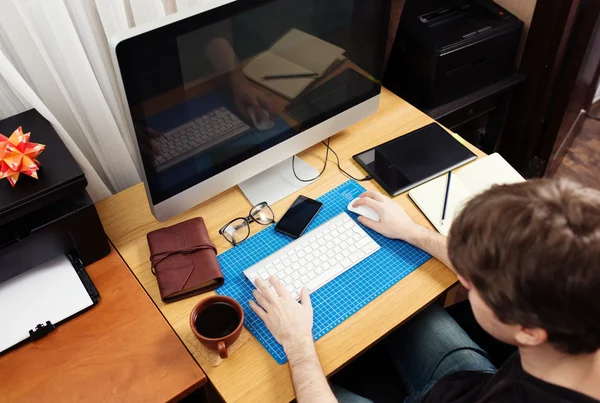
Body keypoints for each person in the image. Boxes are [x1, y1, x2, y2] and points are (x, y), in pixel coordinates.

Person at [249, 179, 600, 403]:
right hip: (475, 387)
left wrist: (297, 344)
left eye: (476, 285)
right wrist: (410, 231)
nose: (463, 280)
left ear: (529, 330)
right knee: (406, 309)